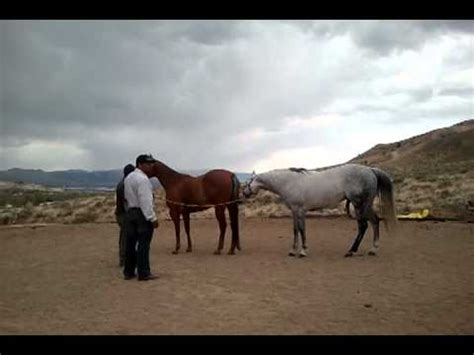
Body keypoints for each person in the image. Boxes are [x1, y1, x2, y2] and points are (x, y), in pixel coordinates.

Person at [123, 154, 159, 281]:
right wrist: (152, 218)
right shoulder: (143, 180)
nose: (150, 166)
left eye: (151, 164)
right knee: (143, 245)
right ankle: (144, 272)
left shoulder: (129, 178)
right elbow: (145, 201)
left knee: (130, 244)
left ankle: (128, 271)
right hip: (141, 215)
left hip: (131, 213)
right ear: (140, 165)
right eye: (148, 164)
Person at [115, 163, 136, 267]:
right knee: (125, 237)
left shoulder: (122, 184)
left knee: (126, 237)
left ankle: (126, 258)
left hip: (122, 214)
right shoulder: (124, 185)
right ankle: (123, 259)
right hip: (124, 215)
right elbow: (126, 203)